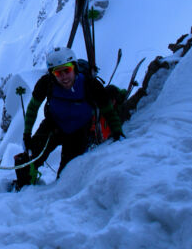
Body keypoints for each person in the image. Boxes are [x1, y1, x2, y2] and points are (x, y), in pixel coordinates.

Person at [22, 47, 123, 177]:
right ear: (52, 74)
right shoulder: (46, 84)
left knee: (67, 175)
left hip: (79, 131)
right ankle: (25, 185)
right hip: (53, 125)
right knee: (31, 158)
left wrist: (117, 131)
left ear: (74, 68)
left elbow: (107, 109)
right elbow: (32, 109)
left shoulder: (90, 84)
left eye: (67, 70)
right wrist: (27, 135)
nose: (64, 77)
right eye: (58, 73)